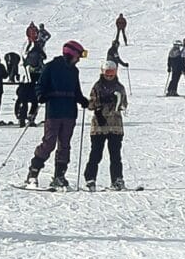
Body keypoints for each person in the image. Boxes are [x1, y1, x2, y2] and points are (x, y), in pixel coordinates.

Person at [25, 41, 85, 187]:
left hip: (69, 112)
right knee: (49, 143)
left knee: (65, 145)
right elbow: (40, 85)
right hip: (54, 111)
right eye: (79, 56)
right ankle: (33, 172)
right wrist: (41, 95)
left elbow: (76, 91)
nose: (79, 59)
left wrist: (83, 100)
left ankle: (59, 175)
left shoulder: (74, 71)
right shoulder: (51, 66)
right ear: (71, 54)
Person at [83, 60, 129, 189]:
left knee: (115, 155)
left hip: (115, 126)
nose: (109, 76)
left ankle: (117, 179)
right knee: (96, 153)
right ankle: (90, 178)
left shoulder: (120, 87)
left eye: (112, 73)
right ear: (102, 72)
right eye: (107, 73)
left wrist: (117, 102)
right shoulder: (97, 87)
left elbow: (124, 105)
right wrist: (99, 106)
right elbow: (91, 104)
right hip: (99, 126)